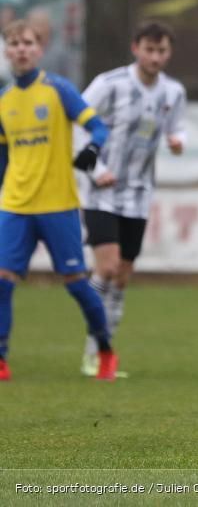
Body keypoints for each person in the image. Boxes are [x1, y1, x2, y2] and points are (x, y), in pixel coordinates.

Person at [0, 20, 117, 381]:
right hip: (16, 205)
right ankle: (1, 358)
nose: (21, 48)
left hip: (58, 204)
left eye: (28, 43)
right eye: (14, 42)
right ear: (7, 50)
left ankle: (105, 349)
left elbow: (97, 126)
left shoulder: (58, 89)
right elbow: (4, 159)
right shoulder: (4, 101)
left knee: (75, 284)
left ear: (39, 49)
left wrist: (93, 150)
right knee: (2, 281)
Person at [76, 22, 187, 377]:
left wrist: (177, 140)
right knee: (105, 269)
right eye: (149, 50)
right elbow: (77, 124)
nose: (155, 57)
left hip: (138, 195)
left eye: (162, 51)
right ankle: (94, 351)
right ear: (135, 48)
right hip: (101, 193)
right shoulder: (109, 85)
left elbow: (177, 127)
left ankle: (105, 350)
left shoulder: (173, 92)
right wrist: (96, 169)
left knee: (121, 279)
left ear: (168, 53)